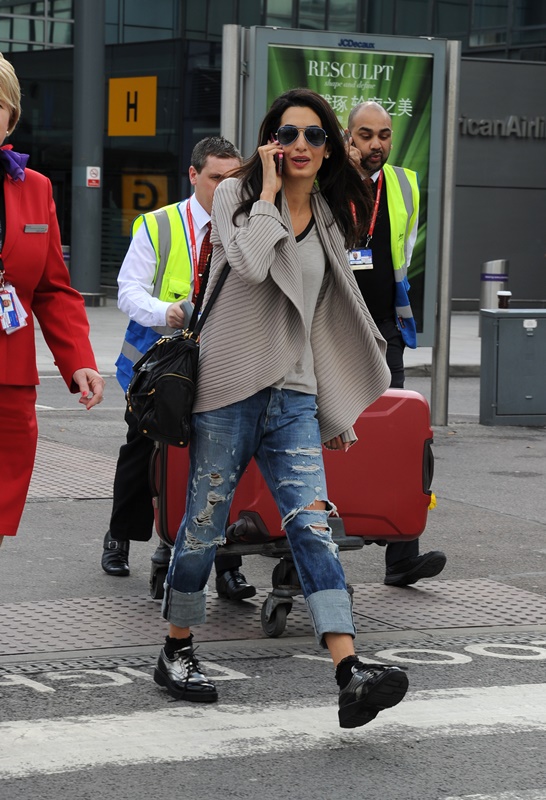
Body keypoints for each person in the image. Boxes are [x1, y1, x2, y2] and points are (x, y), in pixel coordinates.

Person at [153, 88, 409, 729]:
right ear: (271, 141)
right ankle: (176, 648)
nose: (300, 145)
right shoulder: (237, 198)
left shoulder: (328, 216)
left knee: (312, 527)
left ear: (328, 149)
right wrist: (267, 192)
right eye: (288, 134)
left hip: (293, 393)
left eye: (314, 135)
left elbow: (322, 316)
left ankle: (349, 672)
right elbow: (248, 263)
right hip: (228, 389)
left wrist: (335, 409)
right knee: (205, 525)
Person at [102, 137, 256, 602]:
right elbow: (128, 290)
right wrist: (164, 310)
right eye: (215, 178)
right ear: (193, 175)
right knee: (143, 450)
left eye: (233, 179)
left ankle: (226, 565)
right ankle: (120, 535)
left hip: (219, 361)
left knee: (222, 461)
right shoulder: (160, 224)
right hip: (159, 364)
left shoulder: (247, 226)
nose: (224, 187)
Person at [0, 52, 104, 548]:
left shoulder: (35, 188)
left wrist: (79, 360)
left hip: (9, 382)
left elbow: (53, 288)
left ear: (11, 116)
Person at [346, 100, 446, 587]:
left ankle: (403, 556)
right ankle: (304, 551)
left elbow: (400, 253)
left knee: (401, 440)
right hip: (332, 333)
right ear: (348, 138)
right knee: (318, 440)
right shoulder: (327, 182)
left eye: (383, 135)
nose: (376, 144)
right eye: (365, 135)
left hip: (385, 330)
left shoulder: (404, 184)